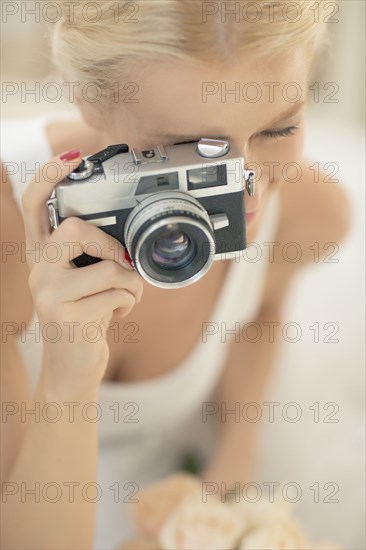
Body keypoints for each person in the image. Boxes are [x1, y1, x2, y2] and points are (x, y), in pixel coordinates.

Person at [1, 1, 351, 548]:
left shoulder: (310, 215)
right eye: (190, 151)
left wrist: (231, 468)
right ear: (90, 98)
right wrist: (68, 374)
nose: (249, 189)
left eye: (279, 130)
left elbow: (261, 309)